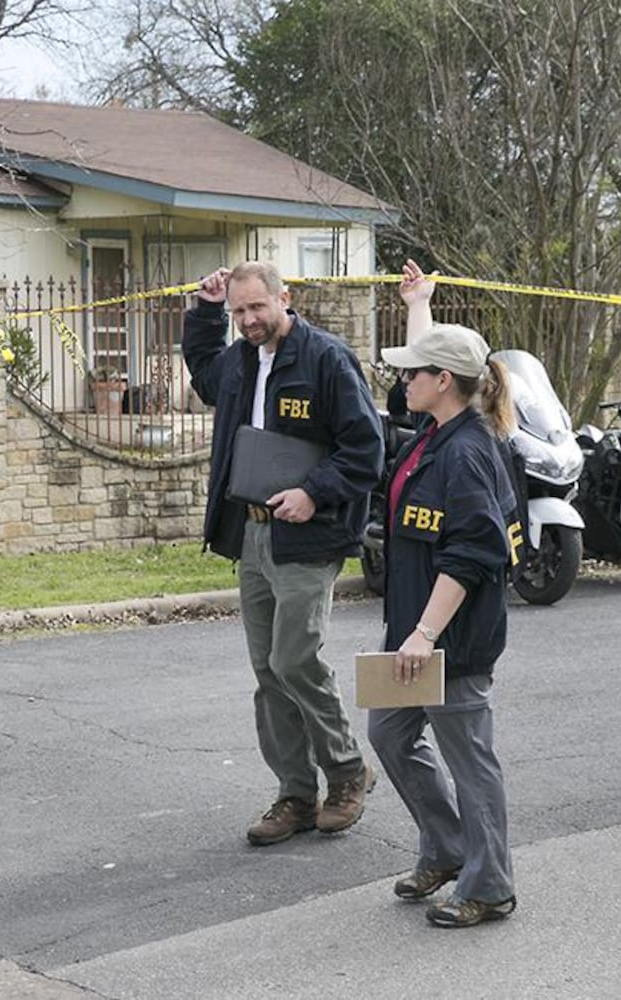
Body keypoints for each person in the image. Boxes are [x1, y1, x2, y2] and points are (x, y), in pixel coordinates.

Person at [183, 261, 384, 843]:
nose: (247, 320)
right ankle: (295, 795)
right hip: (250, 532)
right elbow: (201, 376)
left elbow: (365, 450)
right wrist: (202, 313)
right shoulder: (239, 361)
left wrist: (311, 492)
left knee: (296, 658)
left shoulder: (326, 359)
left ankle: (348, 772)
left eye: (256, 309)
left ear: (283, 300)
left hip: (308, 532)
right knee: (269, 670)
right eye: (238, 312)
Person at [369, 265, 521, 928]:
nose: (403, 382)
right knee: (389, 731)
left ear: (443, 383)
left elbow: (473, 552)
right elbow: (427, 370)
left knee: (469, 760)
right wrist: (419, 306)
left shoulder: (465, 454)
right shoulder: (436, 430)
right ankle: (447, 848)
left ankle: (489, 886)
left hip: (448, 637)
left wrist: (425, 633)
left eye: (413, 372)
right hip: (412, 627)